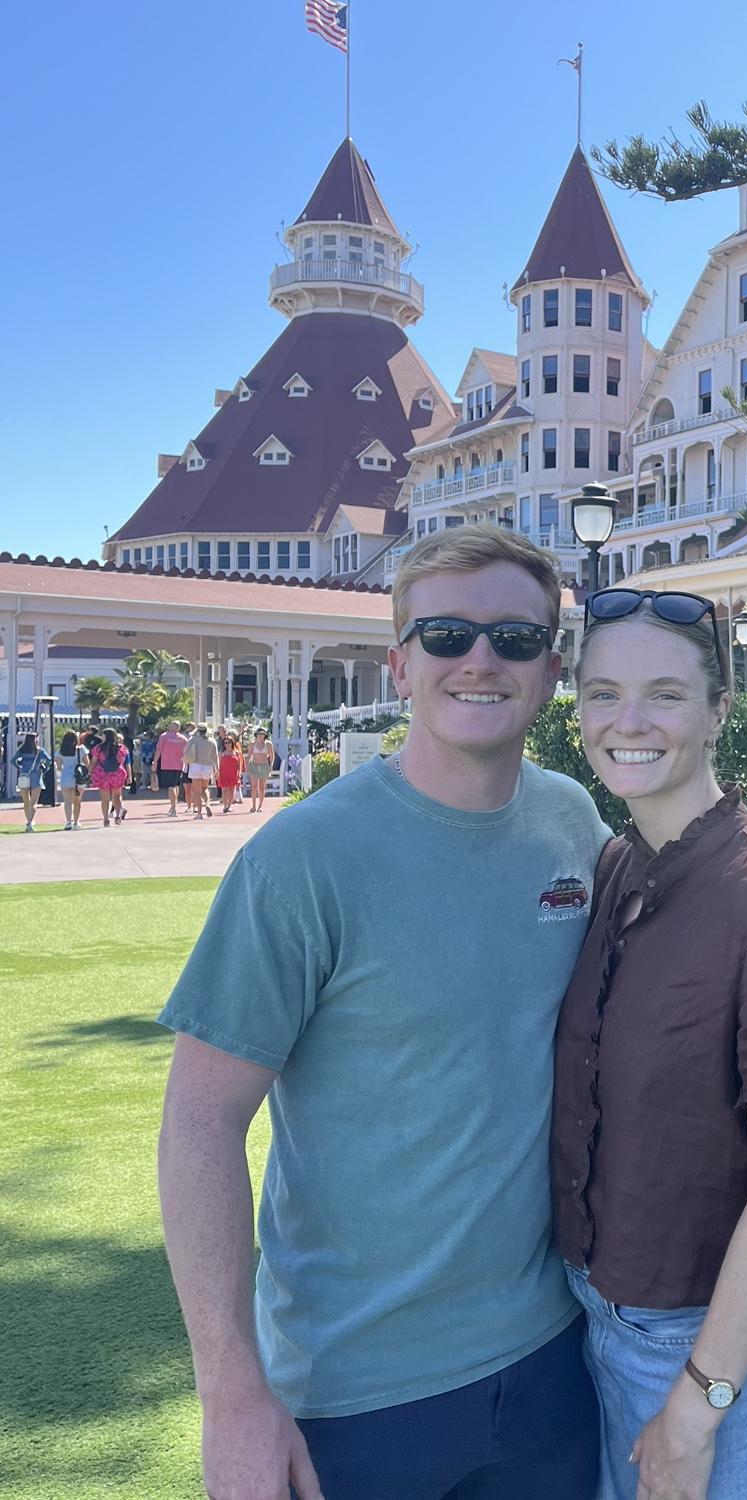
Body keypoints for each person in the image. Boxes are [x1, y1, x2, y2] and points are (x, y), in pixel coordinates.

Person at [157, 526, 612, 1500]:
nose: (480, 660)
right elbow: (200, 1120)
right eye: (446, 635)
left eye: (515, 638)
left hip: (554, 1359)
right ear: (401, 664)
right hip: (353, 1393)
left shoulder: (573, 822)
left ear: (552, 668)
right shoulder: (302, 859)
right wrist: (231, 1392)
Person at [554, 587, 747, 1500]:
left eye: (665, 694)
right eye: (604, 694)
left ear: (720, 709)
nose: (628, 722)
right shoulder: (618, 866)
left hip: (717, 1356)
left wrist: (699, 1405)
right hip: (603, 1326)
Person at [11, 732, 51, 832]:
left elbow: (13, 760)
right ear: (35, 740)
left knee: (26, 802)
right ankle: (29, 822)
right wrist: (44, 769)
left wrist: (19, 767)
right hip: (36, 777)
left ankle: (29, 821)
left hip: (24, 777)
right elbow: (49, 760)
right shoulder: (40, 751)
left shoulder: (22, 750)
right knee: (33, 803)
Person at [90, 729, 129, 826]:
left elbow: (94, 762)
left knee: (105, 798)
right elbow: (123, 761)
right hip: (117, 774)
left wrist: (90, 772)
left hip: (103, 774)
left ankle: (106, 819)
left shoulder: (98, 748)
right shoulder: (121, 748)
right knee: (117, 796)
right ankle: (117, 816)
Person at [153, 720, 189, 817]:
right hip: (179, 765)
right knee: (175, 786)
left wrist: (155, 761)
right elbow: (187, 752)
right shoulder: (183, 739)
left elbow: (158, 750)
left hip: (167, 765)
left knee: (171, 787)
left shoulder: (164, 736)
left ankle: (173, 808)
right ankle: (173, 805)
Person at [183, 723, 218, 818]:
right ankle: (207, 804)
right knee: (204, 788)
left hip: (195, 765)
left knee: (197, 791)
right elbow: (215, 756)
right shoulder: (212, 741)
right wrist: (217, 769)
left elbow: (185, 751)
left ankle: (199, 813)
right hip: (207, 766)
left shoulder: (193, 739)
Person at [55, 730, 86, 830]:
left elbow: (59, 766)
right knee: (77, 801)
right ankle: (76, 822)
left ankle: (68, 822)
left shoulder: (60, 751)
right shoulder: (81, 750)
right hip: (78, 778)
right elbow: (87, 763)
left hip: (66, 777)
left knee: (67, 801)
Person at [245, 727, 274, 812]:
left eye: (262, 734)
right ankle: (253, 806)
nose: (260, 736)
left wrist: (271, 765)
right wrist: (247, 765)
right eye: (259, 734)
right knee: (254, 786)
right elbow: (249, 755)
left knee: (262, 786)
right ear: (256, 735)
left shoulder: (268, 744)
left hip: (264, 765)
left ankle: (260, 806)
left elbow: (272, 756)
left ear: (265, 735)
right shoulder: (252, 744)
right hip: (254, 765)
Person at [216, 734, 242, 813]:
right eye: (225, 743)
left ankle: (229, 806)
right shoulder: (221, 753)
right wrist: (217, 773)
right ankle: (225, 806)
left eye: (228, 742)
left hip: (233, 774)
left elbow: (239, 765)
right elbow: (218, 764)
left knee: (231, 791)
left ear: (232, 743)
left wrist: (239, 773)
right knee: (224, 790)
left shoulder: (236, 753)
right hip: (223, 774)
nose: (227, 744)